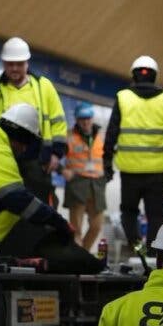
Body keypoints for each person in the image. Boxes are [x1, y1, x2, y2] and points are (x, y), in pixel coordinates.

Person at [0, 103, 98, 271]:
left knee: (3, 195)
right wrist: (58, 222)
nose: (24, 149)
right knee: (12, 205)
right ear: (22, 138)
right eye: (26, 144)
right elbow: (19, 199)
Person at [103, 55, 163, 251]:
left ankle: (136, 248)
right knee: (156, 214)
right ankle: (152, 252)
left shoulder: (123, 98)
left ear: (133, 75)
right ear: (155, 76)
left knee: (129, 212)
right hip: (158, 172)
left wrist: (106, 163)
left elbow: (111, 133)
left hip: (130, 170)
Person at [0, 37, 67, 203]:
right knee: (1, 205)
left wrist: (56, 153)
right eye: (10, 64)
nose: (14, 68)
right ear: (3, 63)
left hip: (36, 161)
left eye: (19, 64)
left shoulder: (44, 87)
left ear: (27, 63)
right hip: (0, 159)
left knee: (37, 205)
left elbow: (58, 122)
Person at [62, 101, 106, 251]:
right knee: (76, 229)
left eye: (88, 118)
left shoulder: (101, 136)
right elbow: (53, 157)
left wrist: (108, 174)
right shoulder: (69, 136)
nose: (86, 122)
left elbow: (107, 157)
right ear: (76, 119)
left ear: (92, 118)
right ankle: (77, 258)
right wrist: (62, 170)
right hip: (77, 184)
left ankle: (83, 254)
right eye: (82, 119)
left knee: (97, 225)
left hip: (97, 185)